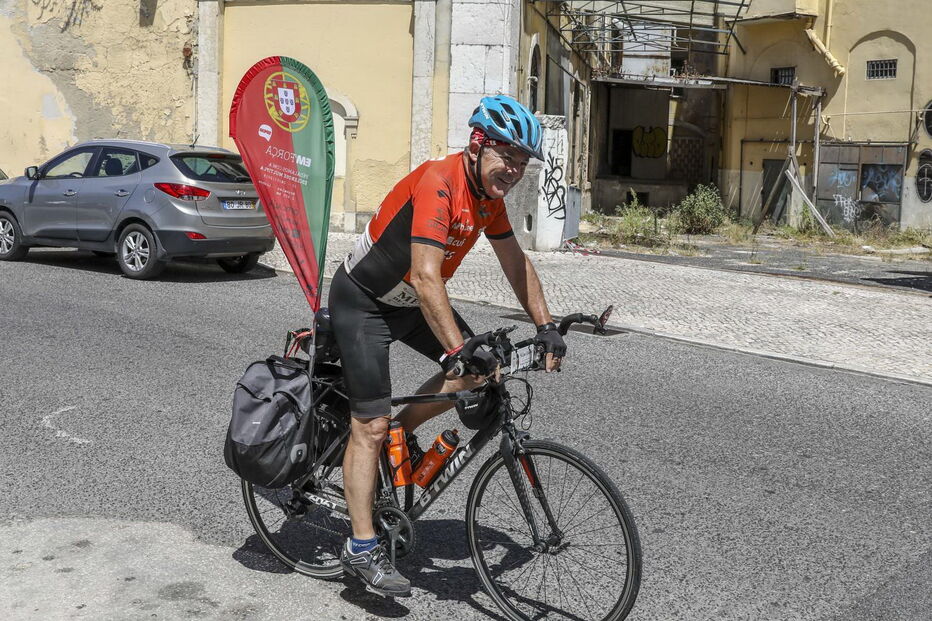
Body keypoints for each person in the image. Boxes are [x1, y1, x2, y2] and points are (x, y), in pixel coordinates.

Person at [329, 95, 567, 597]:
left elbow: (515, 263)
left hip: (411, 300)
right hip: (364, 300)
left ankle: (399, 432)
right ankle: (361, 545)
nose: (515, 169)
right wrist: (459, 348)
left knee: (477, 372)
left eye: (523, 162)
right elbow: (424, 273)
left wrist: (546, 324)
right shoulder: (440, 182)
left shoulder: (489, 200)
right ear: (478, 146)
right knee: (369, 423)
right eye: (508, 156)